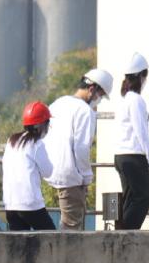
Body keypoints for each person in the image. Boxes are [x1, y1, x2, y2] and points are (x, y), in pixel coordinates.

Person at [45, 68, 113, 230]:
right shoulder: (85, 111)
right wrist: (87, 177)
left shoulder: (58, 103)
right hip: (71, 176)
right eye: (100, 95)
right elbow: (82, 148)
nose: (99, 100)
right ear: (92, 89)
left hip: (50, 171)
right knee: (72, 228)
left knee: (65, 225)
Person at [113, 53, 149, 230]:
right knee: (144, 197)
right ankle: (125, 234)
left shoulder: (124, 100)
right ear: (140, 77)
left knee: (130, 198)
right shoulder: (136, 100)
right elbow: (141, 132)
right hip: (134, 156)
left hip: (121, 156)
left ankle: (120, 233)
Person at [3, 102, 57, 231]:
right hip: (30, 204)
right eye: (48, 122)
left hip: (10, 204)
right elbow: (48, 172)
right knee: (52, 238)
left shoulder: (12, 141)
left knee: (20, 243)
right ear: (41, 125)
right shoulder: (37, 144)